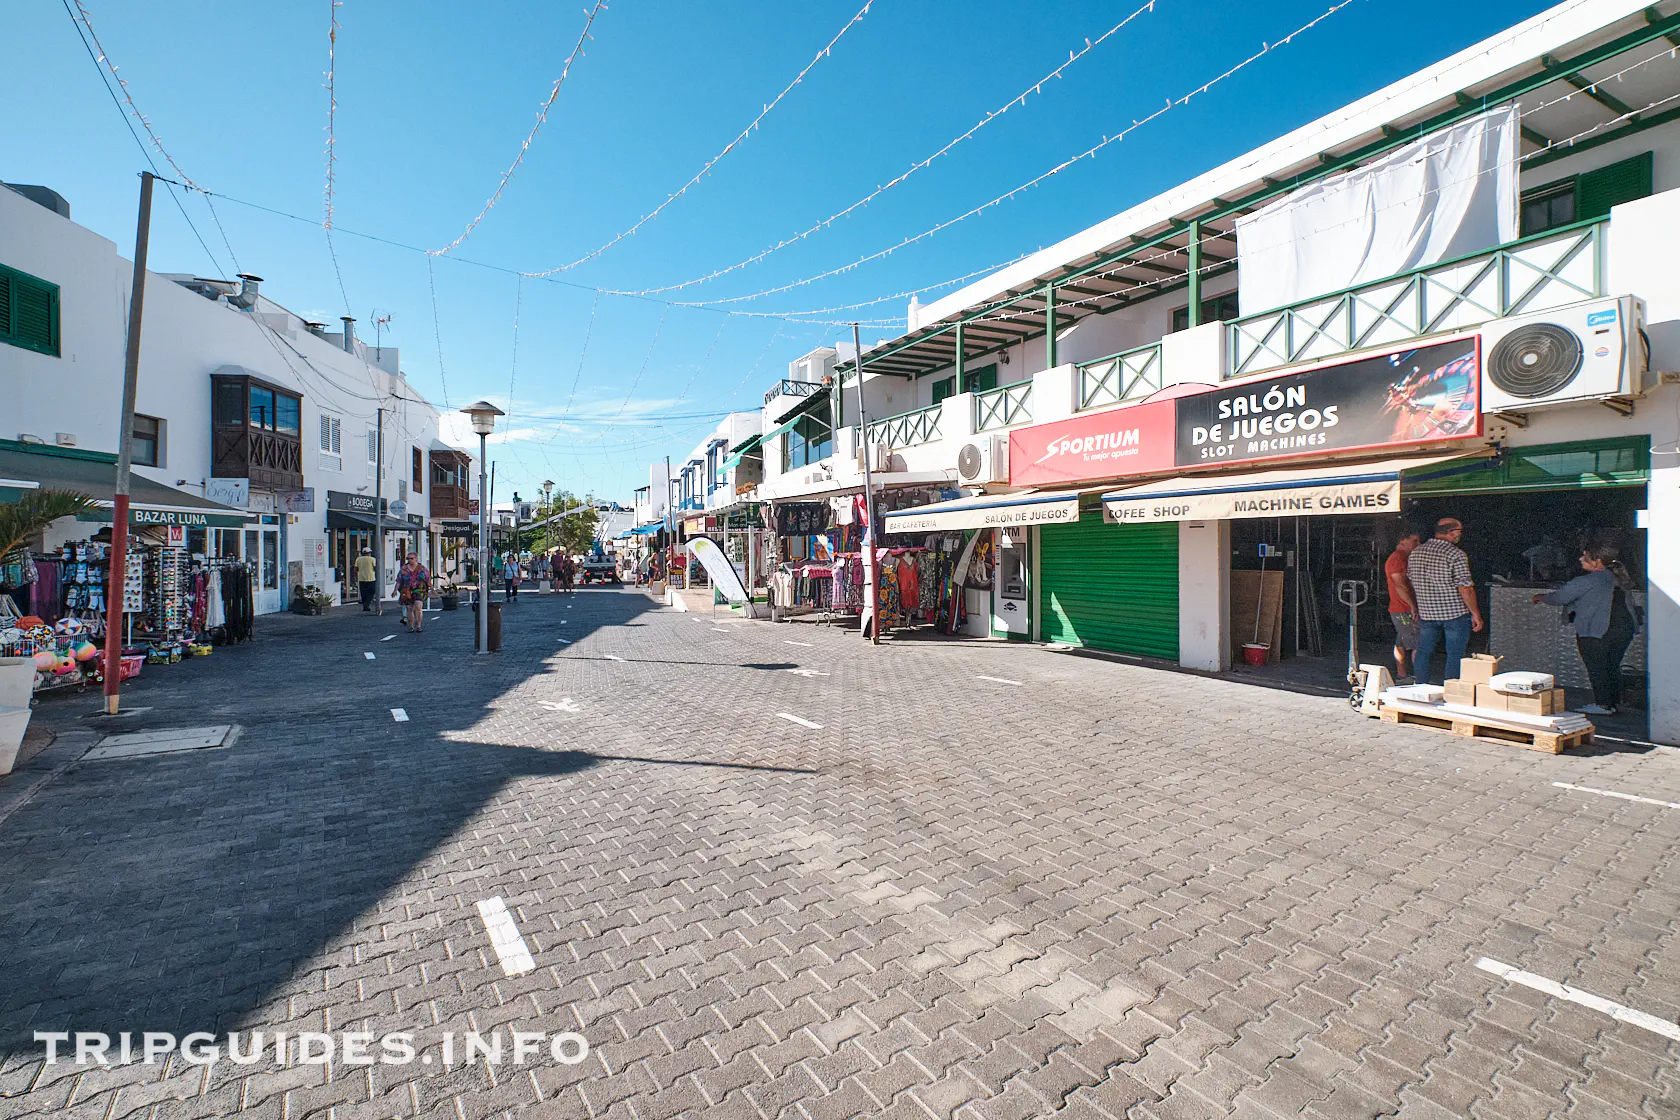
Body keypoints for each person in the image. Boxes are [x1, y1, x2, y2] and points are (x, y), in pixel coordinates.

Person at [1533, 544, 1638, 715]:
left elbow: (1560, 597)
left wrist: (1541, 597)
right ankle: (1613, 703)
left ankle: (1603, 705)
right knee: (1612, 666)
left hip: (1596, 630)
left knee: (1597, 668)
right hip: (1624, 629)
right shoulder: (1618, 578)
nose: (1580, 559)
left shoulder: (1587, 581)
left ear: (1597, 562)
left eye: (1585, 557)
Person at [1407, 517, 1484, 684]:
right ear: (1451, 532)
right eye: (1459, 531)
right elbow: (1465, 588)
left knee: (1423, 651)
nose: (1460, 535)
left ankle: (1420, 685)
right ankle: (1451, 690)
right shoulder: (1455, 554)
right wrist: (1476, 614)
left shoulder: (1416, 553)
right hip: (1455, 613)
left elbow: (1412, 580)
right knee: (1455, 654)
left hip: (1427, 612)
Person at [1383, 529, 1422, 682]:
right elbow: (1400, 585)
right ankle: (1418, 677)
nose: (1418, 544)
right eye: (1415, 541)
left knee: (1401, 641)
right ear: (1403, 541)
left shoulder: (1404, 558)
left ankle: (1402, 675)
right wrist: (1412, 605)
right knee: (1418, 643)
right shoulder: (1397, 559)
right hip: (1403, 609)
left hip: (1402, 608)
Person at [396, 553, 430, 633]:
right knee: (409, 608)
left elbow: (428, 579)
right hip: (407, 590)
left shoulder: (422, 569)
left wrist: (431, 589)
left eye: (411, 558)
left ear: (416, 559)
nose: (410, 560)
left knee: (418, 606)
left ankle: (418, 625)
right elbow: (399, 580)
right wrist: (395, 590)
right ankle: (411, 626)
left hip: (419, 590)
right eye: (408, 558)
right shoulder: (404, 569)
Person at [354, 547, 378, 611]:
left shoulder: (358, 559)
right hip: (371, 578)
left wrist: (356, 575)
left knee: (363, 592)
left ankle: (365, 605)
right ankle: (367, 604)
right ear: (369, 553)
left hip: (361, 578)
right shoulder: (372, 559)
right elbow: (375, 568)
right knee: (371, 592)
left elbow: (355, 569)